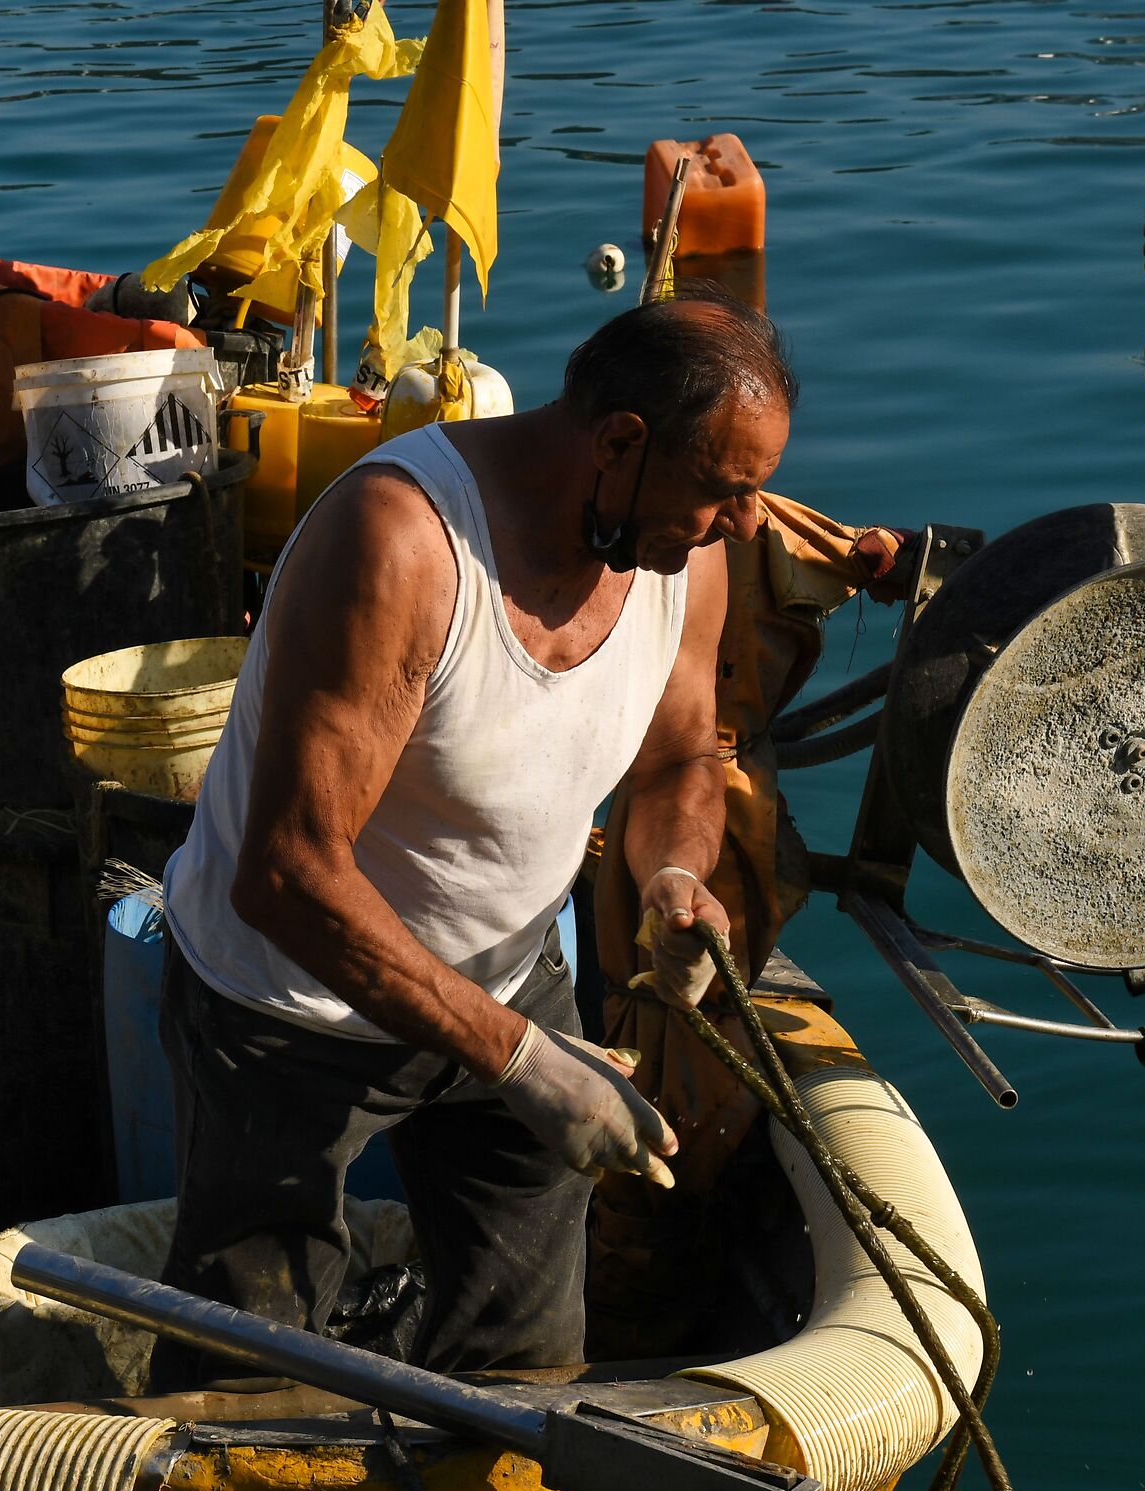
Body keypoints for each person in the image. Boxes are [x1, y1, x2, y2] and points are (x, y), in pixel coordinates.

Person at [152, 289, 800, 1387]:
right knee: (243, 1375)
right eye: (724, 490)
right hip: (289, 1006)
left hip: (509, 975)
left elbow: (684, 756)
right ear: (621, 443)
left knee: (526, 1356)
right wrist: (526, 1058)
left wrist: (674, 874)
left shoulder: (685, 558)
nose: (746, 521)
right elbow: (287, 875)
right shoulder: (403, 544)